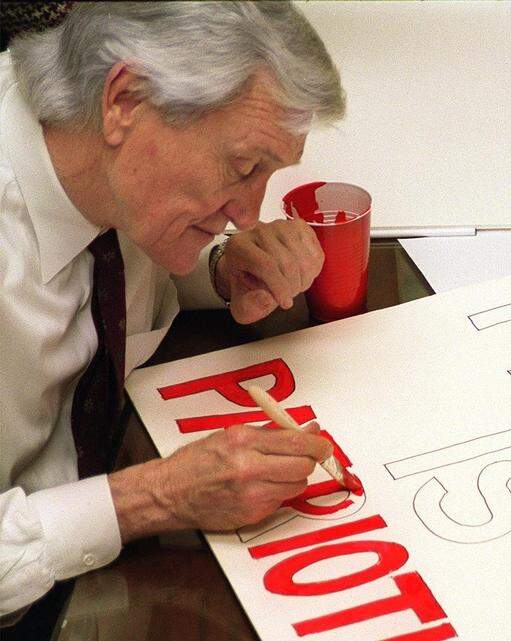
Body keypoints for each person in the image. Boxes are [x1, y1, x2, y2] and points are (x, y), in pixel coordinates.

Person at [0, 2, 346, 632]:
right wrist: (156, 497)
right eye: (244, 168)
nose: (249, 213)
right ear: (125, 101)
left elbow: (109, 264)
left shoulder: (96, 159)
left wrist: (221, 267)